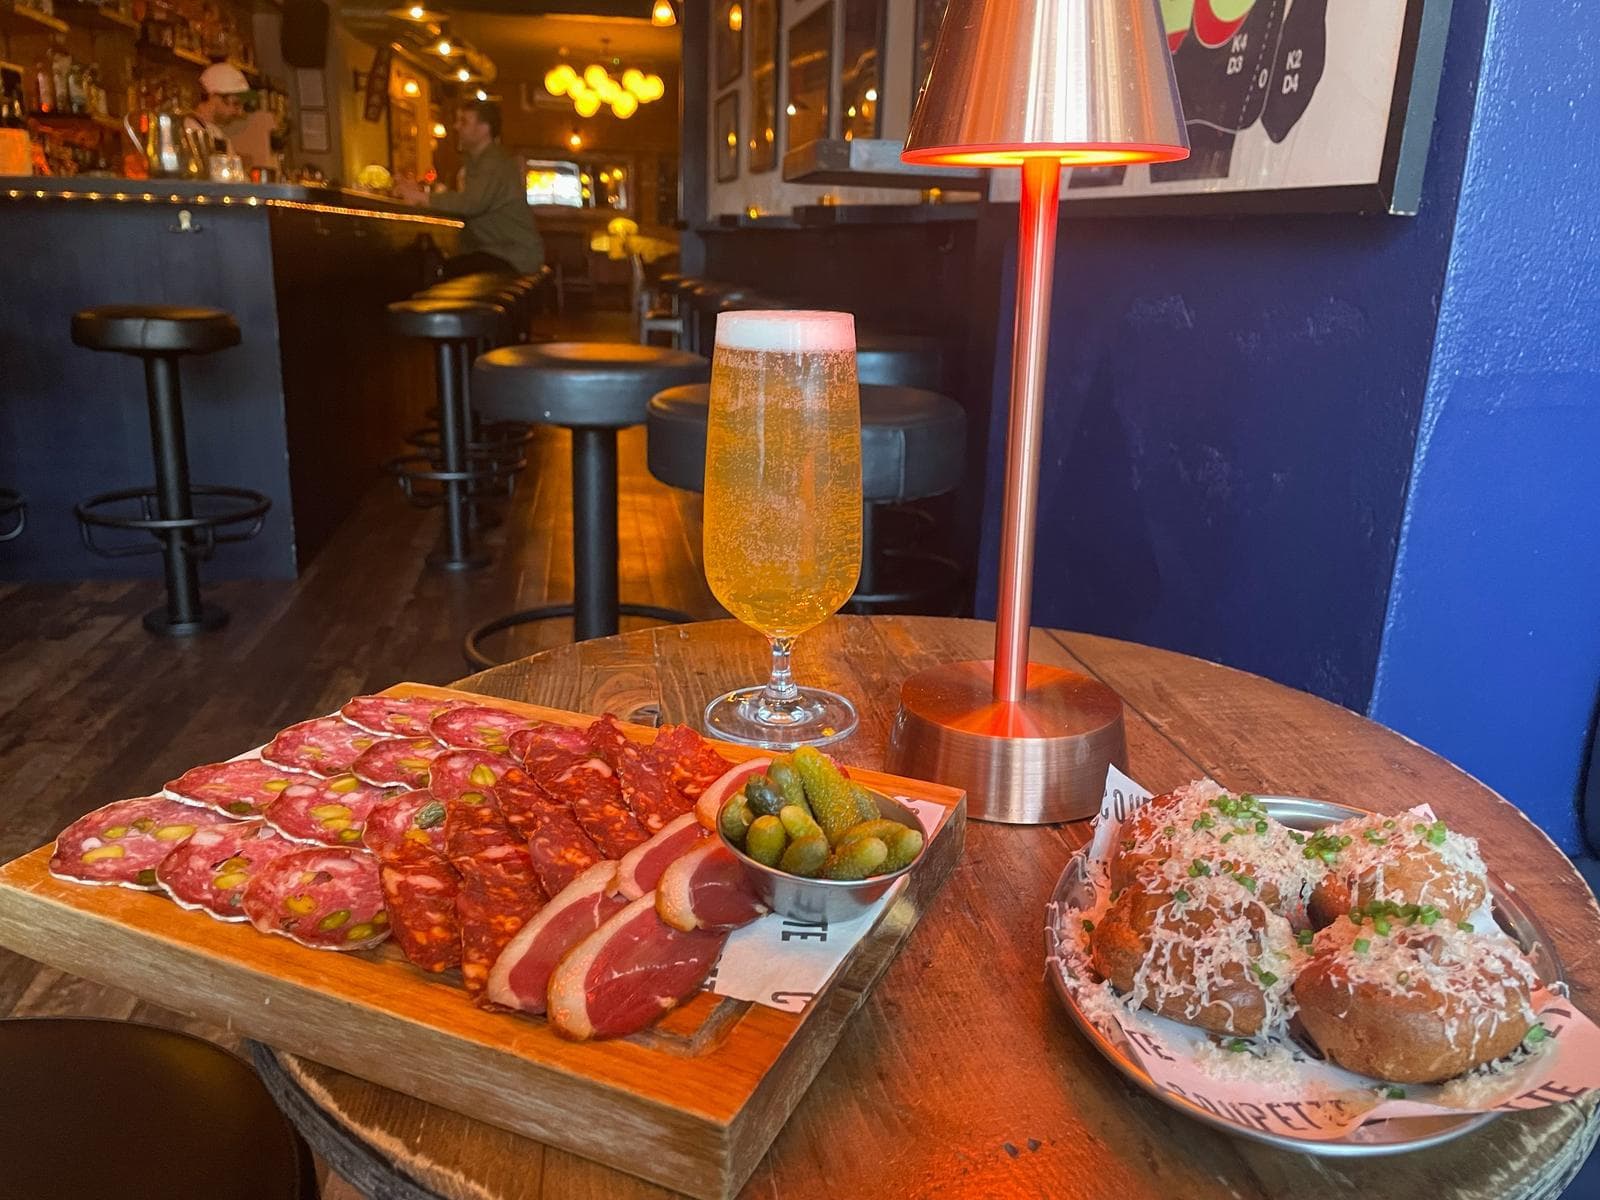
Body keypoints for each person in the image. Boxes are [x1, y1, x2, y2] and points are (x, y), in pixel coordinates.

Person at [396, 100, 543, 277]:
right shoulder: (481, 160)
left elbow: (471, 203)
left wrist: (421, 197)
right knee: (437, 269)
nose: (456, 126)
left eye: (464, 121)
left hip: (513, 256)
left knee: (436, 274)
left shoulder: (493, 161)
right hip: (506, 252)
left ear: (483, 129)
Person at [194, 62, 273, 173]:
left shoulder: (216, 132)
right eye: (235, 104)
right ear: (214, 97)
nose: (240, 112)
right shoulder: (190, 131)